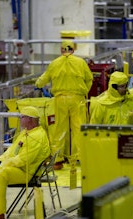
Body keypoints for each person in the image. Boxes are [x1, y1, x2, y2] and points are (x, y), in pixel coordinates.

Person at [0, 106, 51, 219]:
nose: (20, 119)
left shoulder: (37, 136)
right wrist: (0, 160)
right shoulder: (26, 132)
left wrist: (4, 165)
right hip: (18, 168)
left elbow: (24, 160)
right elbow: (12, 151)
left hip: (28, 172)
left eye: (22, 117)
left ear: (30, 120)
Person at [35, 40, 93, 170]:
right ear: (73, 49)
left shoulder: (54, 63)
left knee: (59, 129)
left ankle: (58, 159)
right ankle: (79, 157)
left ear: (61, 50)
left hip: (60, 100)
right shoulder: (81, 63)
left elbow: (42, 79)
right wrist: (84, 92)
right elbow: (89, 79)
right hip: (77, 99)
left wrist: (37, 85)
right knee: (78, 128)